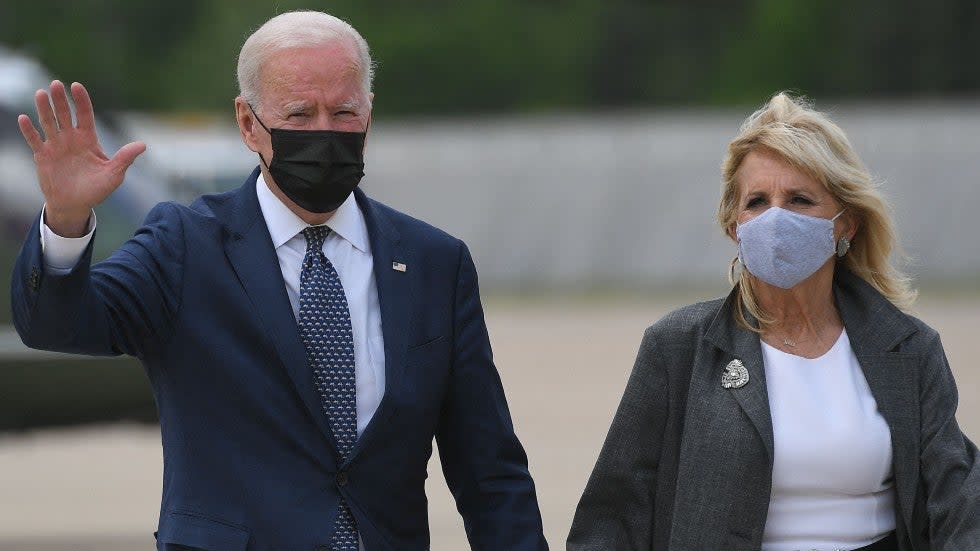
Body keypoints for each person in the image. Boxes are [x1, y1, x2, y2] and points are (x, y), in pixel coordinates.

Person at [11, 10, 548, 551]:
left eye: (343, 113)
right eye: (298, 114)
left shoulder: (435, 262)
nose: (324, 133)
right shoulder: (185, 246)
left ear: (369, 115)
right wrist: (64, 220)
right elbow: (58, 325)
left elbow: (489, 470)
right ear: (248, 124)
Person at [567, 92, 980, 550]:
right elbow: (614, 514)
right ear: (734, 225)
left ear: (846, 223)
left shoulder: (909, 349)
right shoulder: (678, 347)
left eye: (800, 199)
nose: (776, 218)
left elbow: (958, 502)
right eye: (758, 201)